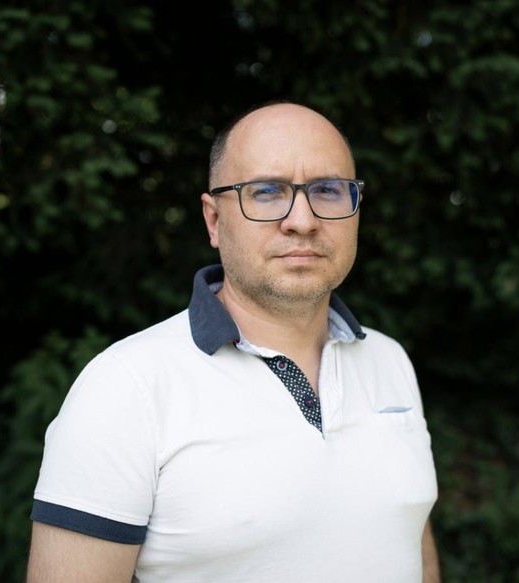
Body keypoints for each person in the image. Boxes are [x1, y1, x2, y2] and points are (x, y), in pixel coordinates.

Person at [25, 101, 440, 582]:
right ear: (214, 220)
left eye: (327, 190)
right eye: (266, 191)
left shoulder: (389, 360)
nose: (302, 220)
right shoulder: (126, 387)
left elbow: (412, 545)